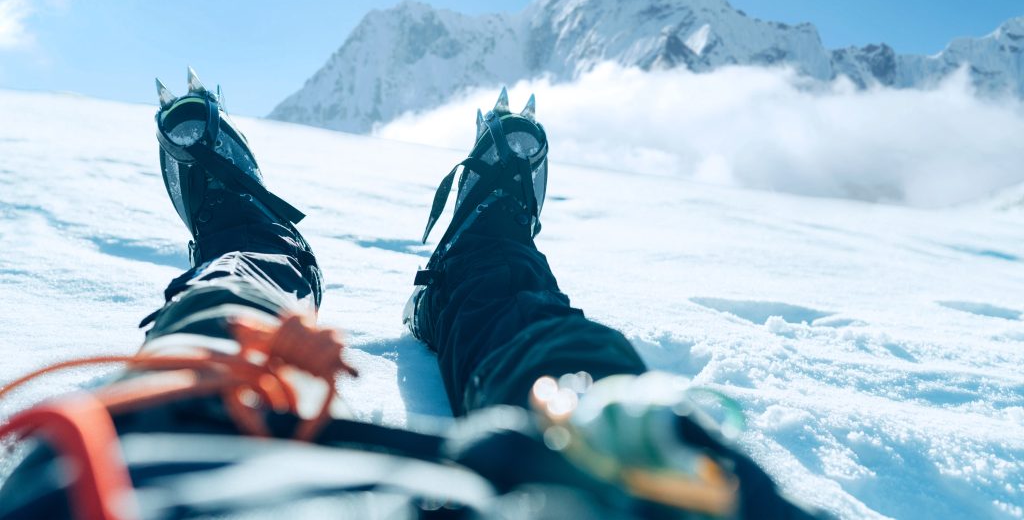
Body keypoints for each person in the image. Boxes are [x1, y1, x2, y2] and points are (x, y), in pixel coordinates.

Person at [0, 70, 826, 519]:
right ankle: (475, 269)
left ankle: (259, 257)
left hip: (141, 479)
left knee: (208, 346)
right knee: (572, 375)